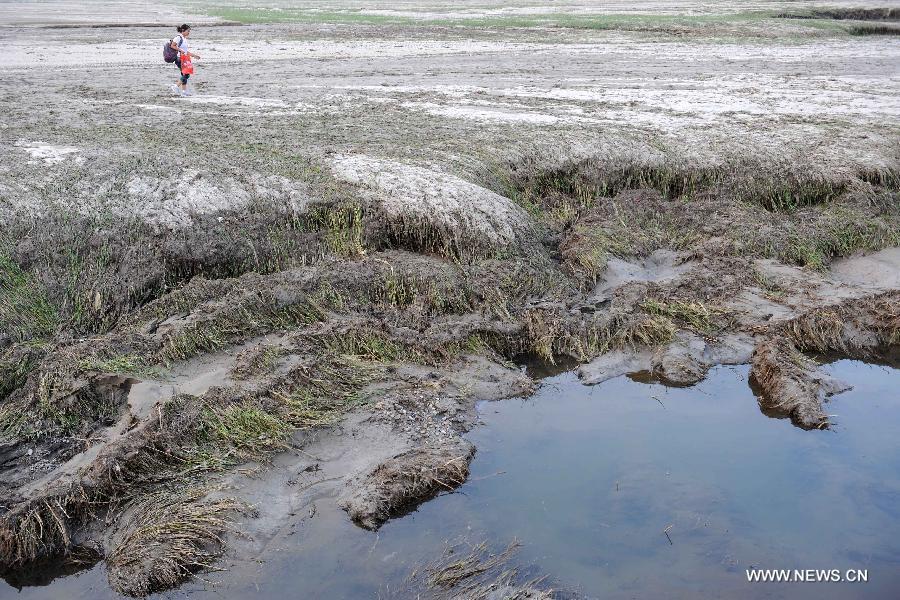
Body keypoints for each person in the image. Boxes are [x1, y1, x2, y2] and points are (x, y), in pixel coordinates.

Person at [170, 24, 200, 96]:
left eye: (189, 31)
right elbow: (172, 45)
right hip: (179, 58)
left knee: (184, 74)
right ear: (183, 30)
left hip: (184, 58)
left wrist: (194, 55)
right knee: (186, 74)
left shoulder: (184, 39)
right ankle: (176, 86)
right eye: (188, 31)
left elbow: (186, 51)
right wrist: (180, 50)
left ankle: (184, 92)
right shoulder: (178, 37)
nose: (189, 32)